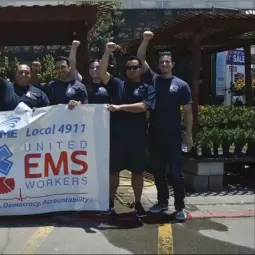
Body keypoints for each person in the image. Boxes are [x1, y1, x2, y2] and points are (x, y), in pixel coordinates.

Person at [137, 31, 193, 221]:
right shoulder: (153, 79)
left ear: (172, 64)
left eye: (167, 62)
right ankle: (162, 202)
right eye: (162, 62)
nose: (164, 65)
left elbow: (188, 112)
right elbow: (140, 57)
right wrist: (146, 40)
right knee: (158, 173)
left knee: (176, 174)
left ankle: (180, 207)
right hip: (154, 135)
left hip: (173, 137)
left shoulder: (182, 85)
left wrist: (189, 135)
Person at [100, 42, 156, 218]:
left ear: (140, 69)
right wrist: (107, 52)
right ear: (125, 70)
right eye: (129, 68)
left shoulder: (148, 88)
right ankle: (110, 203)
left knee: (137, 173)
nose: (132, 70)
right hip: (117, 137)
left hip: (137, 138)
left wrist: (119, 107)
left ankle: (138, 204)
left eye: (135, 67)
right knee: (114, 172)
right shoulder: (118, 84)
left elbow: (143, 107)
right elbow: (102, 73)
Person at [68, 40, 110, 104]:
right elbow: (72, 68)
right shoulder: (84, 84)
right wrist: (73, 47)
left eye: (98, 67)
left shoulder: (109, 83)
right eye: (91, 67)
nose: (94, 69)